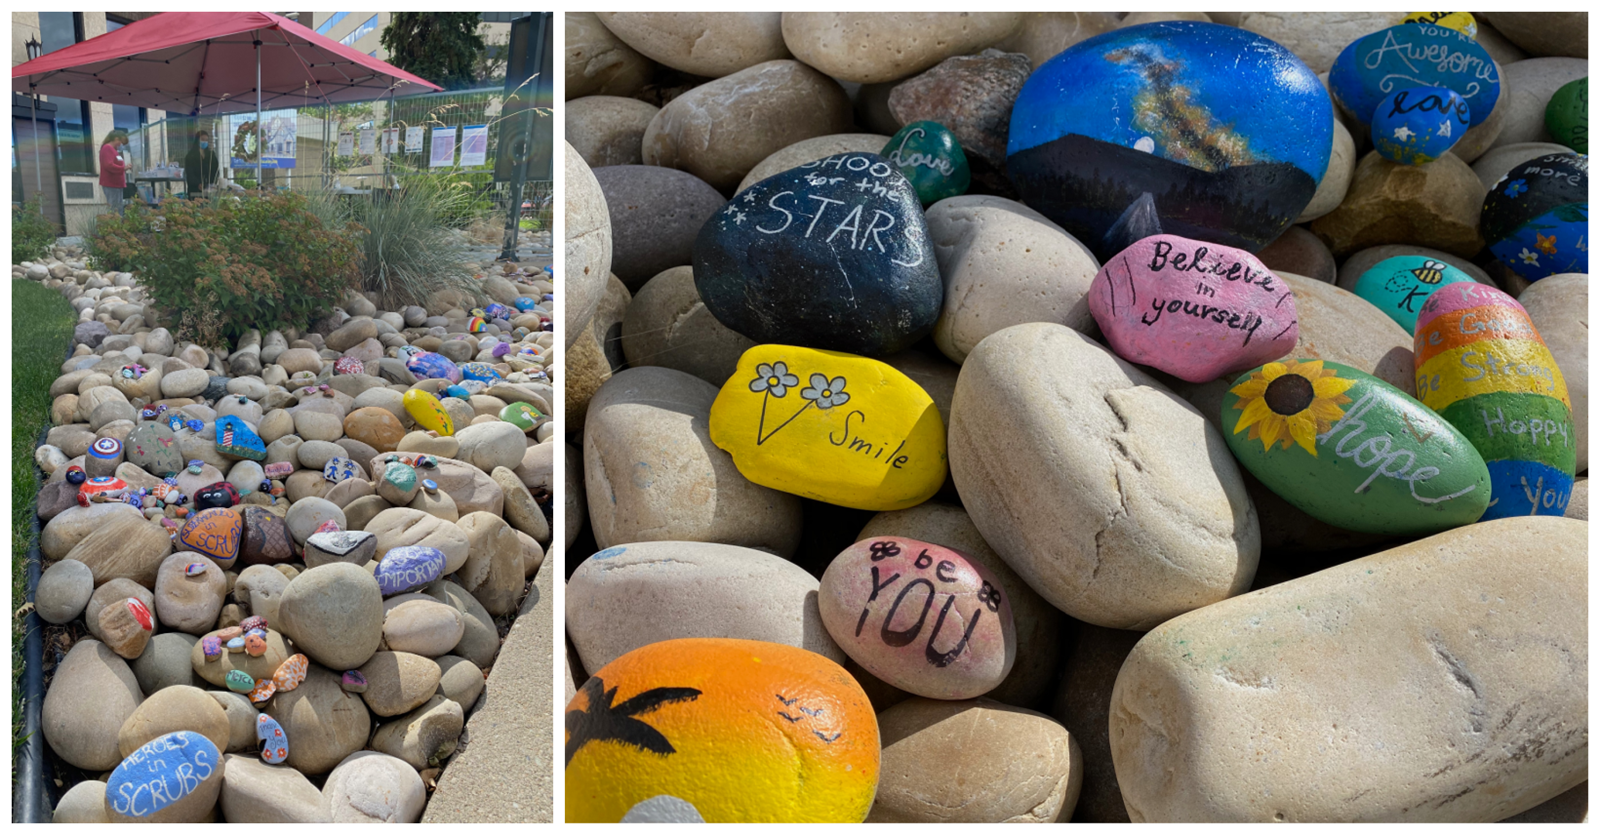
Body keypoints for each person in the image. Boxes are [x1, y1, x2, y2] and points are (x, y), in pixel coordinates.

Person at [99, 128, 130, 215]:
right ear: (116, 139)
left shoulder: (113, 150)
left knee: (118, 208)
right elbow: (108, 165)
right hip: (111, 184)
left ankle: (118, 227)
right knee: (115, 209)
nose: (121, 145)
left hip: (117, 184)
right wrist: (123, 168)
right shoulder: (107, 148)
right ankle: (115, 227)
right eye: (121, 142)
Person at [184, 129, 221, 197]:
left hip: (209, 190)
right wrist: (198, 183)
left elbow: (215, 170)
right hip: (194, 189)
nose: (204, 142)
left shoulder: (211, 155)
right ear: (197, 140)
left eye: (206, 140)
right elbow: (189, 173)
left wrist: (212, 183)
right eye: (202, 139)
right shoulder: (190, 156)